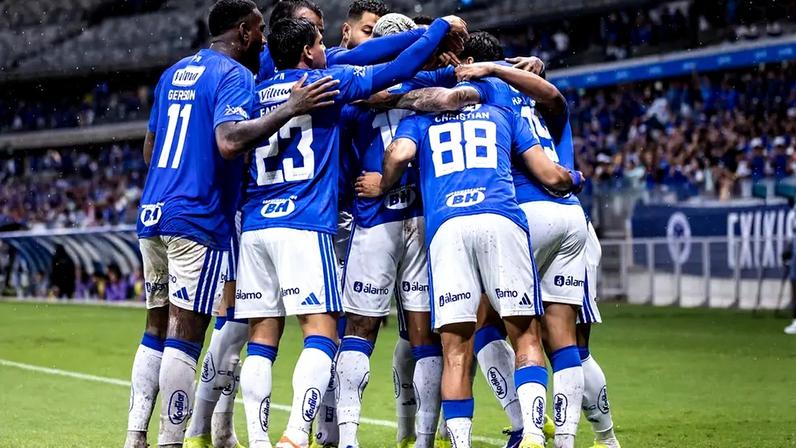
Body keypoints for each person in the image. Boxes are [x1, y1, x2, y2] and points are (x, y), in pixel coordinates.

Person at [234, 15, 466, 448]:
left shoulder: (251, 92)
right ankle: (298, 434)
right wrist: (436, 30)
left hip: (255, 225)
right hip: (304, 223)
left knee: (260, 341)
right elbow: (396, 69)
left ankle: (258, 440)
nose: (326, 49)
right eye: (320, 42)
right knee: (322, 334)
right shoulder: (326, 84)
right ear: (307, 51)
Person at [125, 1, 339, 447]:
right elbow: (227, 141)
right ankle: (170, 440)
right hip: (196, 218)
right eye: (259, 31)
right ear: (243, 31)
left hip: (153, 212)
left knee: (154, 327)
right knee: (186, 335)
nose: (263, 39)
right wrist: (290, 107)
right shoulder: (235, 76)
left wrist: (180, 167)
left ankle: (135, 436)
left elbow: (150, 149)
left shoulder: (174, 73)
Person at [355, 103, 581, 447]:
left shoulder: (420, 119)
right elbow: (549, 173)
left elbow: (399, 154)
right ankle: (534, 435)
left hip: (448, 227)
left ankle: (460, 443)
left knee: (455, 350)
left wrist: (384, 183)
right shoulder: (501, 110)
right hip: (500, 219)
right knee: (525, 336)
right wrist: (574, 178)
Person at [335, 14, 442, 448]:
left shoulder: (355, 86)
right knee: (422, 333)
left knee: (359, 329)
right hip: (419, 216)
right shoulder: (433, 84)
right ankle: (423, 440)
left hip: (374, 216)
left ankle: (347, 437)